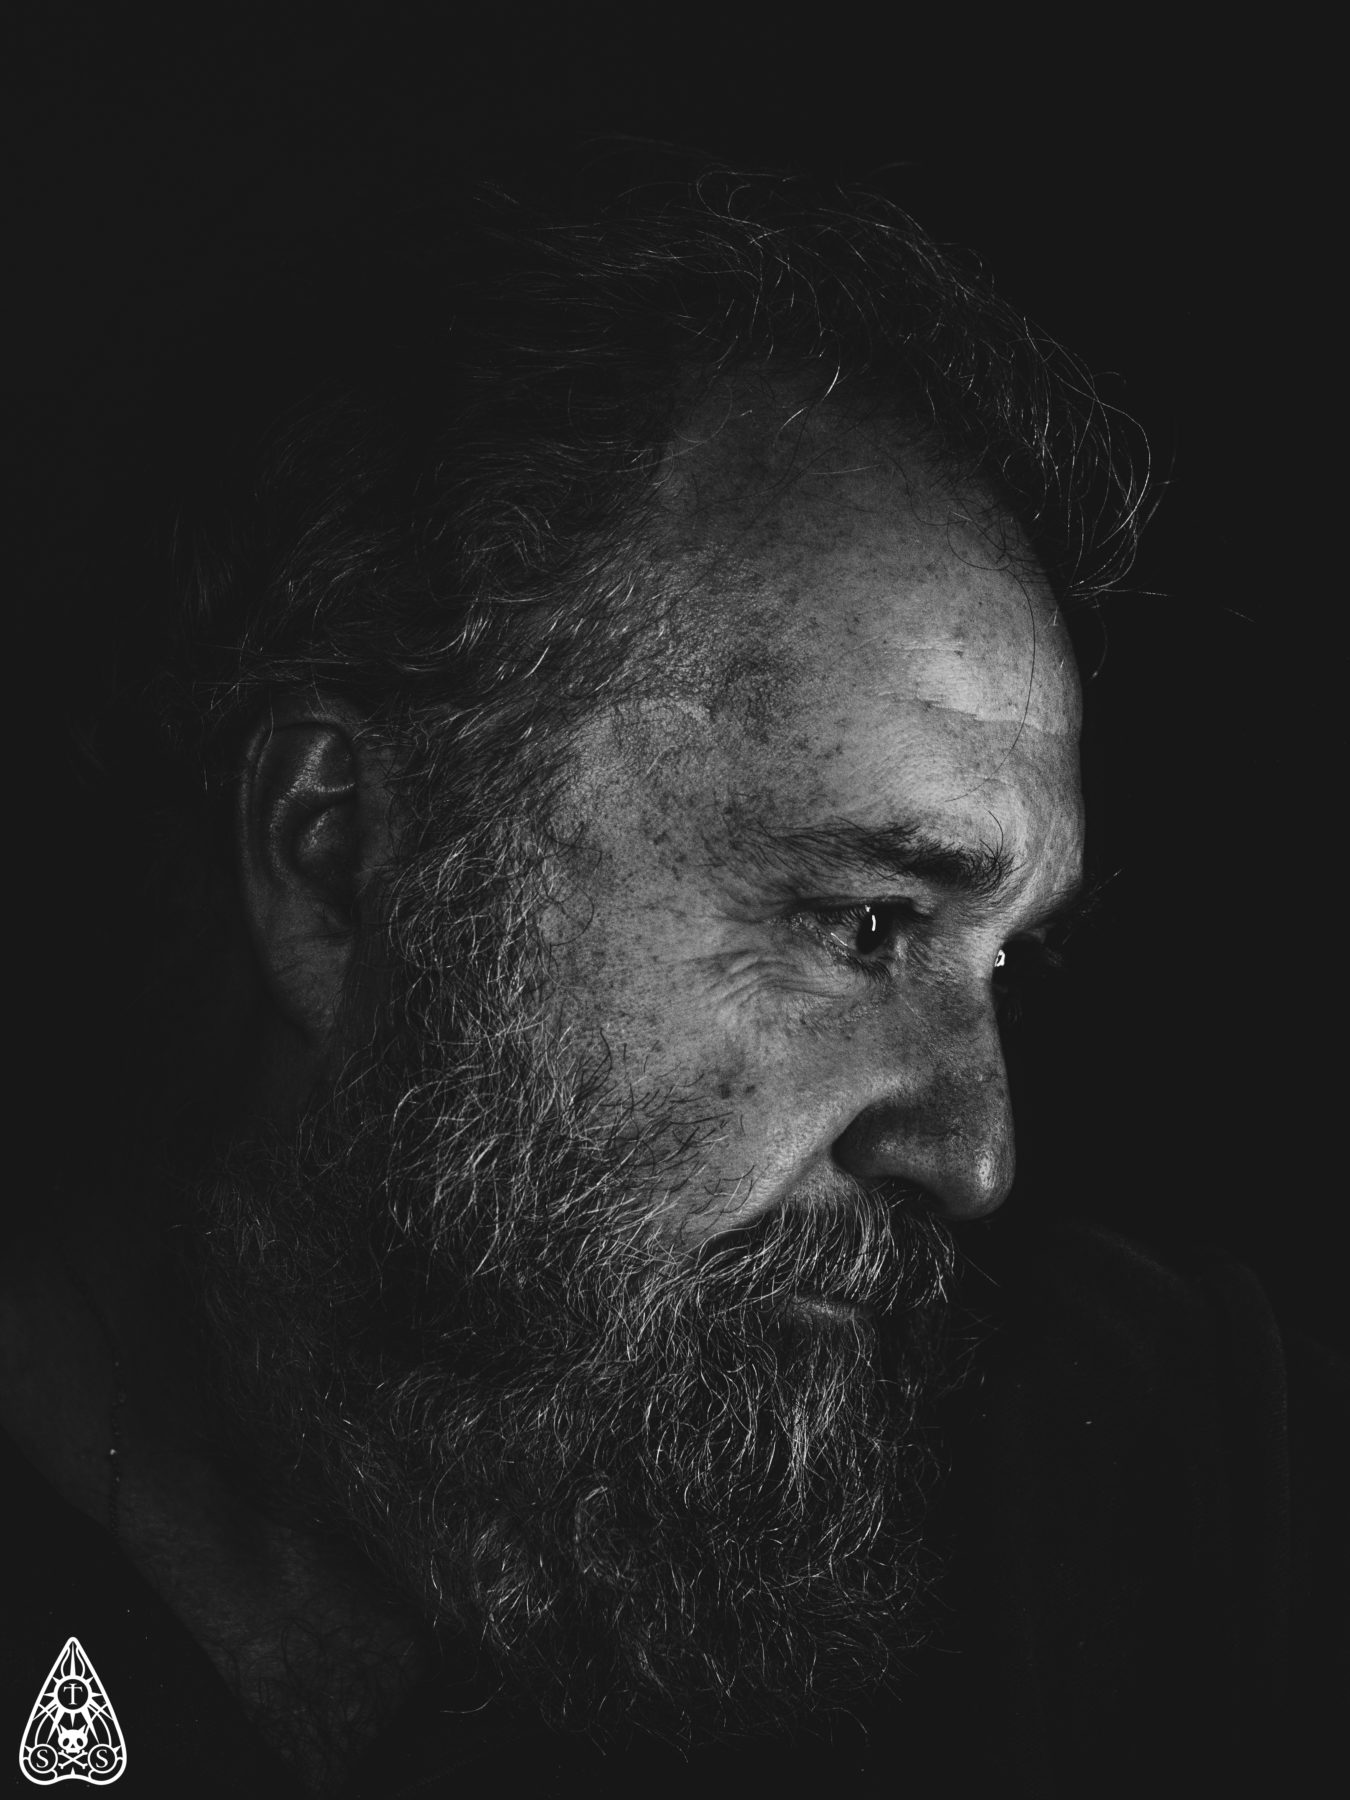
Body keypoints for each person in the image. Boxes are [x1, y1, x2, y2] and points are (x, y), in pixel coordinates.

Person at [2, 161, 1344, 1797]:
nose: (975, 1155)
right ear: (339, 859)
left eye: (1004, 962)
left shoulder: (1127, 1470)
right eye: (864, 923)